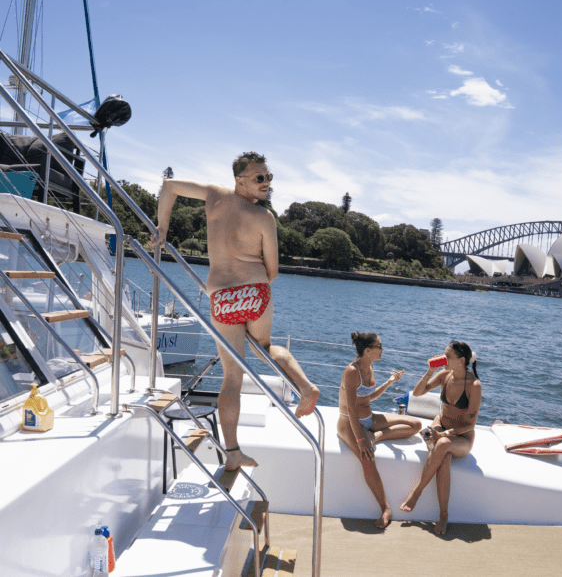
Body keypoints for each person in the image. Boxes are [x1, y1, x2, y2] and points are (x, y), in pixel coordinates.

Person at [153, 152, 320, 471]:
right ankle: (306, 387)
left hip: (222, 297)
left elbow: (169, 186)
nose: (267, 184)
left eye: (269, 177)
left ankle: (232, 452)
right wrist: (251, 285)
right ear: (240, 179)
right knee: (266, 349)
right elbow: (272, 270)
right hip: (255, 292)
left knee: (232, 375)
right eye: (260, 178)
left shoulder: (213, 195)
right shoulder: (264, 217)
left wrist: (163, 228)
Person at [337, 331, 422, 529]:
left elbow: (369, 397)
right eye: (380, 346)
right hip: (349, 423)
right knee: (367, 459)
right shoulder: (351, 371)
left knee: (415, 425)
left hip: (369, 419)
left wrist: (389, 382)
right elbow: (350, 408)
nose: (383, 349)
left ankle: (376, 436)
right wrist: (360, 438)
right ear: (368, 350)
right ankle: (385, 508)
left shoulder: (371, 366)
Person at [399, 340, 481, 535]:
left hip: (462, 437)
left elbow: (469, 424)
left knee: (443, 443)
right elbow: (418, 393)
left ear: (461, 360)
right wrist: (429, 371)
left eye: (448, 357)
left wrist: (444, 434)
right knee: (443, 457)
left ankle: (416, 492)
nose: (443, 359)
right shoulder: (444, 375)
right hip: (440, 426)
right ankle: (443, 514)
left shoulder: (474, 385)